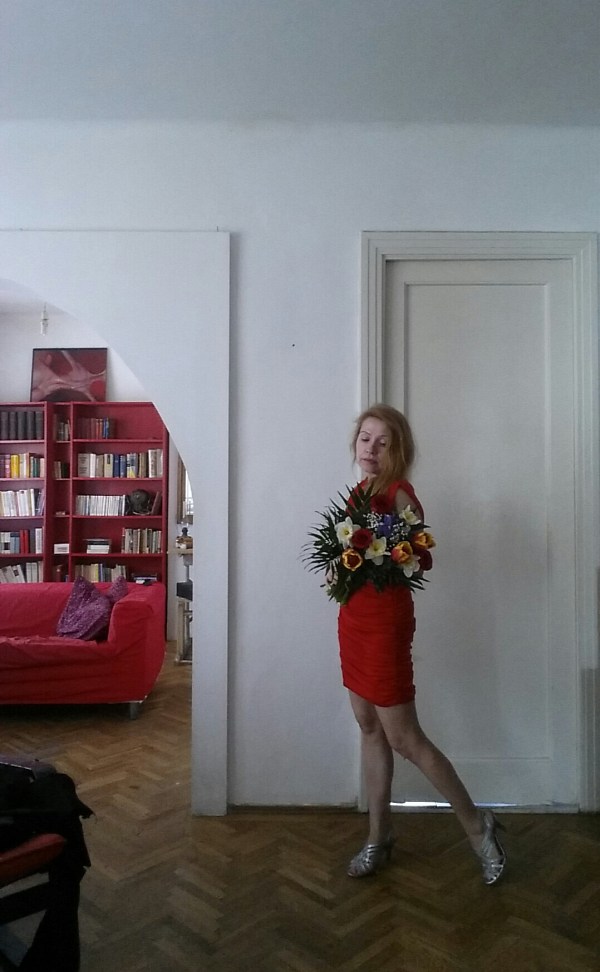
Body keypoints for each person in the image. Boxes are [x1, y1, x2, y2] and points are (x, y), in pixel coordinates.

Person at [338, 403, 506, 884]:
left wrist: (378, 555)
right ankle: (378, 837)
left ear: (398, 450)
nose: (371, 448)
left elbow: (414, 560)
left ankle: (479, 828)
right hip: (353, 623)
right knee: (368, 726)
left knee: (405, 738)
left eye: (383, 441)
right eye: (365, 438)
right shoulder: (359, 493)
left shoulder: (399, 494)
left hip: (384, 628)